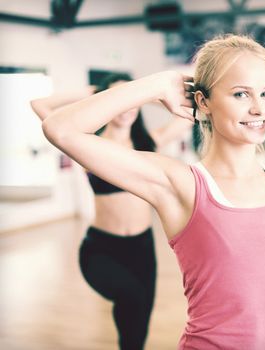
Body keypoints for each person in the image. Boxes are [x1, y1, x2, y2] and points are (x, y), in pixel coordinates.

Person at [41, 34, 265, 349]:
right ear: (203, 102)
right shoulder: (181, 185)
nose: (259, 109)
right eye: (241, 94)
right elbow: (61, 129)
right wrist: (157, 84)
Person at [31, 73, 193, 350]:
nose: (127, 108)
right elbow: (40, 105)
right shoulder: (88, 144)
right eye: (120, 101)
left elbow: (187, 116)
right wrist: (99, 92)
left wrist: (146, 93)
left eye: (132, 102)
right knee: (131, 299)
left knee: (136, 328)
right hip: (102, 250)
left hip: (142, 250)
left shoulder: (148, 144)